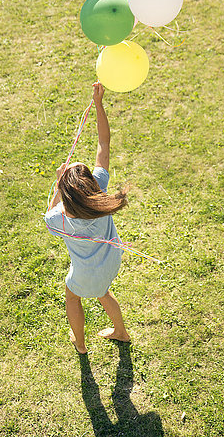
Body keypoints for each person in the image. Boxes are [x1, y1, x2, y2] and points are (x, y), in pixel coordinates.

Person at [44, 82, 130, 354]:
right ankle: (121, 332)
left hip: (89, 272)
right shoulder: (100, 190)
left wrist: (59, 185)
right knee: (104, 292)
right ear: (91, 184)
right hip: (112, 260)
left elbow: (50, 212)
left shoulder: (59, 220)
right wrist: (99, 104)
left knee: (73, 296)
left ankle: (80, 344)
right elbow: (103, 143)